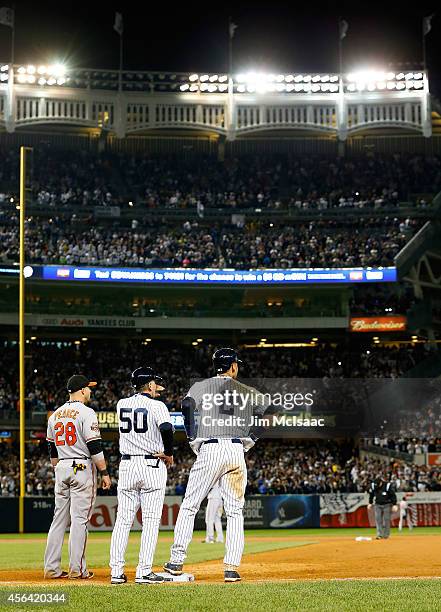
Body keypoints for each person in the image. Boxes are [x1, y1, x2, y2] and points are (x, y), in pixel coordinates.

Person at [164, 347, 271, 583]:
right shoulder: (245, 390)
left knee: (190, 505)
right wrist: (251, 439)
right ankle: (231, 568)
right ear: (232, 366)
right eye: (237, 364)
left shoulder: (201, 386)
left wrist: (192, 437)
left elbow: (187, 406)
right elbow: (269, 410)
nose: (238, 367)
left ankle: (176, 561)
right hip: (235, 450)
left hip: (210, 448)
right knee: (235, 512)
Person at [109, 367, 174, 584]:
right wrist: (169, 453)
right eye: (155, 382)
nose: (158, 386)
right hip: (151, 464)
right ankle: (144, 571)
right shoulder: (158, 405)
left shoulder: (121, 404)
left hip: (127, 464)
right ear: (150, 384)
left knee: (123, 521)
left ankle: (116, 572)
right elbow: (166, 429)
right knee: (151, 521)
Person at [44, 375, 111, 579]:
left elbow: (51, 448)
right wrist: (105, 473)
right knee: (79, 521)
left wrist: (58, 469)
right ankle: (77, 569)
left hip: (62, 466)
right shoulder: (87, 412)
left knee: (58, 521)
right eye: (88, 388)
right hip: (81, 466)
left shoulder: (54, 415)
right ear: (82, 390)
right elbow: (94, 446)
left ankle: (51, 568)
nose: (90, 391)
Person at [367, 475, 398, 540]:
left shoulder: (387, 486)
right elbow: (371, 495)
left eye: (378, 485)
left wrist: (394, 504)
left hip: (387, 504)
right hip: (377, 505)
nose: (377, 486)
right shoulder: (373, 486)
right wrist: (370, 503)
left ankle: (386, 535)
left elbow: (393, 495)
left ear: (381, 482)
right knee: (378, 519)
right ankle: (379, 534)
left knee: (386, 519)